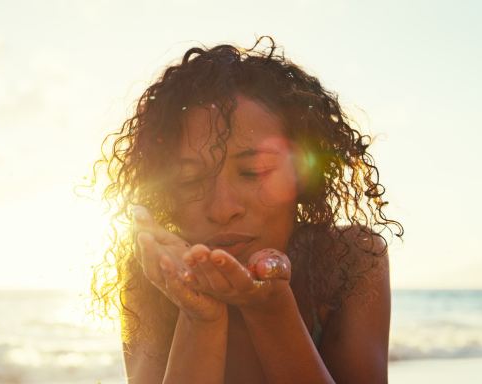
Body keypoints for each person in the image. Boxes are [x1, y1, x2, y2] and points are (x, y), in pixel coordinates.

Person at [91, 36, 403, 383]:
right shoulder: (151, 273)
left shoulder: (349, 262)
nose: (223, 208)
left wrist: (270, 309)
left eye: (253, 172)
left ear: (302, 174)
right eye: (191, 180)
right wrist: (200, 315)